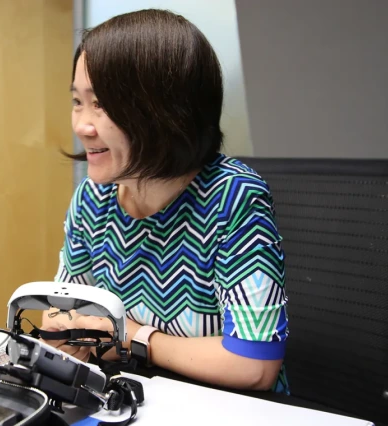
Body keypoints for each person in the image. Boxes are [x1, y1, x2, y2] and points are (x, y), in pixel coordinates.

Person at [41, 8, 289, 394]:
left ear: (163, 111)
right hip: (128, 398)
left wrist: (134, 339)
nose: (81, 125)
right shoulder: (92, 198)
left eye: (101, 104)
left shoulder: (232, 196)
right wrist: (62, 333)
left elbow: (253, 364)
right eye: (78, 101)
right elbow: (71, 309)